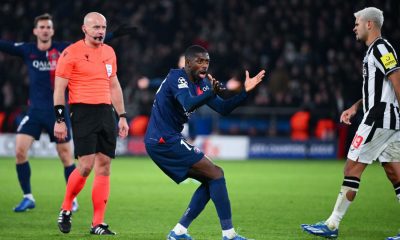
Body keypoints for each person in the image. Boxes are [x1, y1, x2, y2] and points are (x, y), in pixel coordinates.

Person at [0, 13, 135, 213]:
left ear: (52, 31)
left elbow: (91, 42)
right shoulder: (28, 50)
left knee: (67, 158)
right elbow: (7, 46)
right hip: (35, 111)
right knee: (19, 151)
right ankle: (28, 196)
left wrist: (113, 34)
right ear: (35, 31)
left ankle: (72, 200)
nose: (45, 30)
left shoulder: (63, 50)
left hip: (58, 110)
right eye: (42, 27)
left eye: (48, 27)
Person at [144, 45, 265, 240]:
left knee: (212, 179)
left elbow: (224, 108)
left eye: (207, 61)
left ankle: (179, 232)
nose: (204, 65)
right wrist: (209, 92)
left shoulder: (201, 84)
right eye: (199, 61)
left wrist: (245, 91)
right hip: (162, 139)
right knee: (216, 174)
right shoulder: (177, 77)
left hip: (167, 139)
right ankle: (229, 235)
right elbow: (187, 103)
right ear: (188, 63)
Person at [301, 7, 400, 240]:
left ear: (369, 24)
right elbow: (379, 88)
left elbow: (396, 79)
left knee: (352, 167)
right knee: (395, 173)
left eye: (357, 23)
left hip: (379, 118)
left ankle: (332, 224)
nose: (354, 27)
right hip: (387, 119)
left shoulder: (382, 48)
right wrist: (355, 107)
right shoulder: (372, 52)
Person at [53, 12, 128, 235]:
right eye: (96, 27)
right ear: (84, 29)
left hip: (106, 112)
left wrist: (122, 115)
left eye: (103, 27)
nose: (100, 31)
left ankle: (97, 223)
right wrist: (59, 119)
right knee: (85, 165)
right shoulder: (71, 53)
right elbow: (59, 90)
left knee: (104, 166)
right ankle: (66, 208)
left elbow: (114, 85)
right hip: (82, 111)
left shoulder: (109, 52)